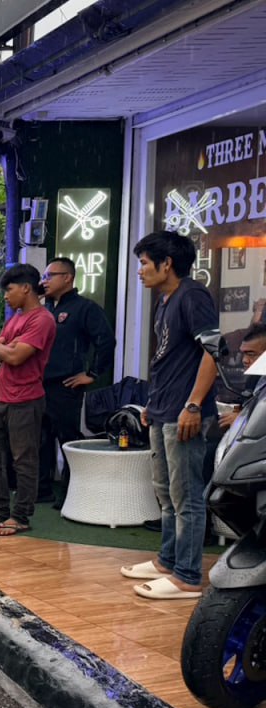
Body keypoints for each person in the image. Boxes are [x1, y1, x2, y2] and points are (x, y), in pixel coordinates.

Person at [121, 231, 218, 601]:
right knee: (164, 492)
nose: (141, 271)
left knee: (187, 495)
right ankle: (167, 560)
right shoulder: (165, 300)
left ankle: (188, 576)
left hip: (185, 413)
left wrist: (194, 404)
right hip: (162, 409)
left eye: (145, 263)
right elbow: (168, 359)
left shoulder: (193, 295)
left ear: (167, 264)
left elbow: (213, 352)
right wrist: (152, 402)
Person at [0, 264, 57, 536]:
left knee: (23, 460)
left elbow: (16, 357)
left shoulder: (42, 320)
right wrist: (4, 347)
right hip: (1, 397)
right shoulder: (15, 318)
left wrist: (2, 347)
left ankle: (20, 516)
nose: (6, 296)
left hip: (26, 399)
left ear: (26, 288)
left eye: (9, 289)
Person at [38, 258, 115, 507]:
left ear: (68, 277)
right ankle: (41, 489)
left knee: (66, 438)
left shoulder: (85, 308)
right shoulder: (43, 308)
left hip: (66, 384)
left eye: (50, 276)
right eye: (44, 276)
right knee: (40, 438)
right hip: (39, 383)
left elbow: (106, 341)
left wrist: (91, 374)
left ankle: (71, 491)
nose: (44, 281)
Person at [218, 323, 266, 430]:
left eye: (251, 354)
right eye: (243, 354)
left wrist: (242, 420)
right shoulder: (254, 379)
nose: (244, 360)